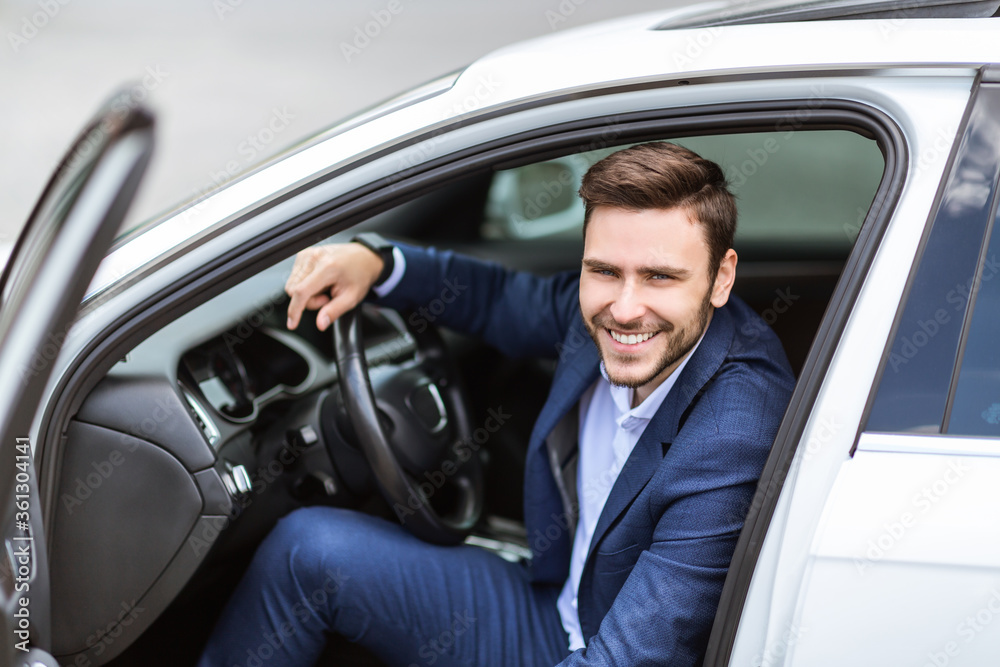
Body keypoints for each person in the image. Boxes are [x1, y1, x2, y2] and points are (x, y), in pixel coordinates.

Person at [198, 142, 795, 666]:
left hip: (596, 646)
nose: (625, 307)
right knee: (306, 551)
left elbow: (630, 659)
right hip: (555, 604)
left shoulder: (732, 434)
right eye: (604, 270)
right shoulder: (597, 312)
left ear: (721, 278)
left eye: (661, 277)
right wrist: (378, 262)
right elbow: (498, 299)